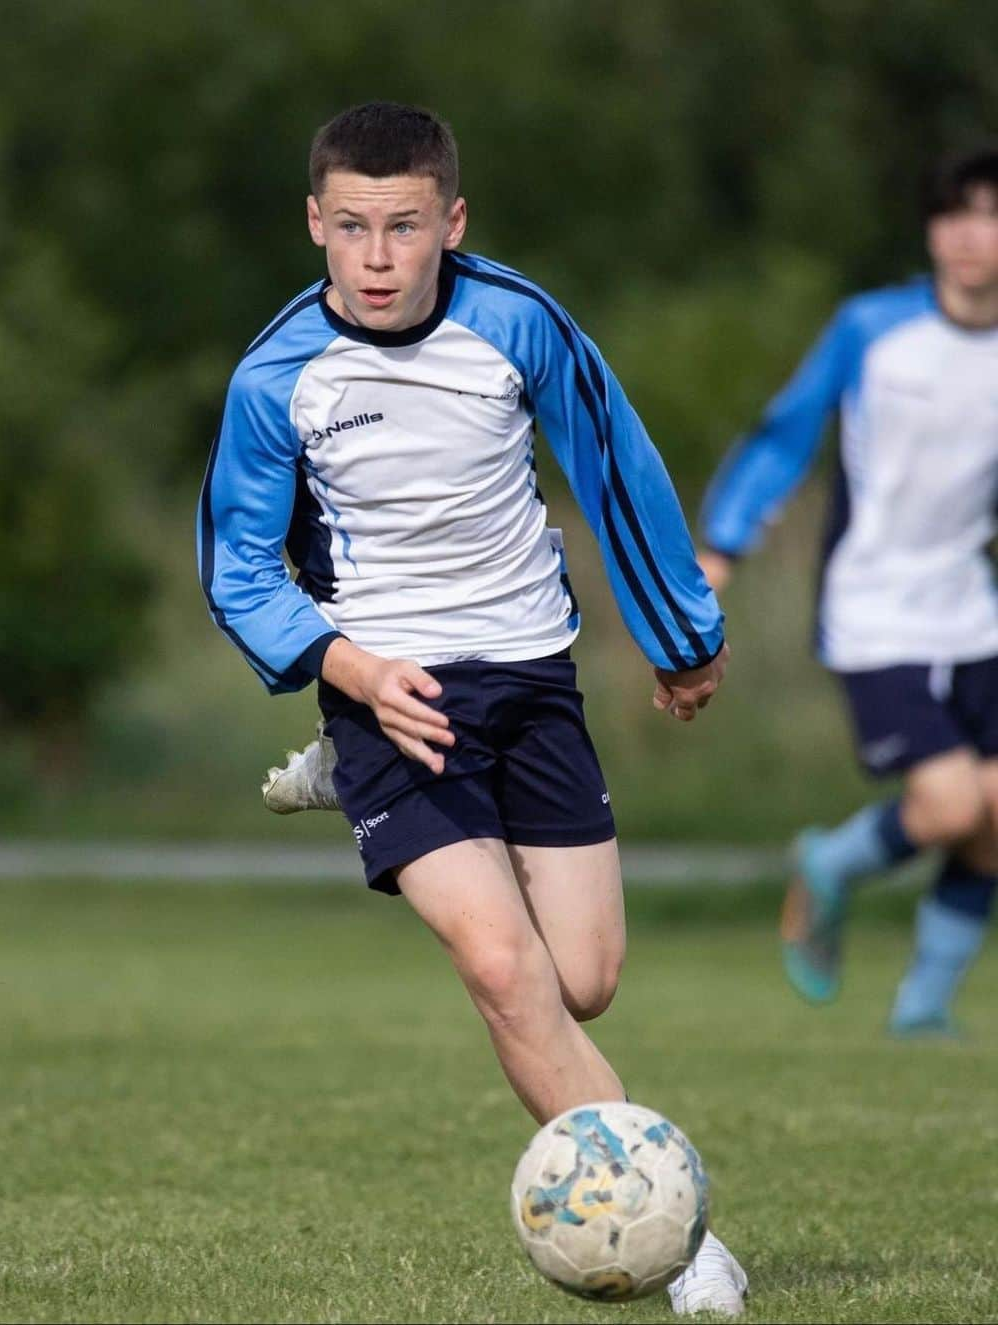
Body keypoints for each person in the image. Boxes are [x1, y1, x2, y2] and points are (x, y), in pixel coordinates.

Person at [199, 102, 745, 1314]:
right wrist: (351, 674)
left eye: (403, 227)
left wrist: (680, 636)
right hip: (391, 692)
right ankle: (676, 1238)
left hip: (530, 678)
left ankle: (355, 782)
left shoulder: (519, 325)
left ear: (454, 221)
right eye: (351, 228)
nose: (379, 257)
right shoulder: (275, 375)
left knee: (582, 977)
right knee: (504, 968)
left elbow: (614, 465)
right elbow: (239, 564)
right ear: (314, 226)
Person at [698, 146, 998, 1034]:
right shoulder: (874, 328)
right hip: (873, 608)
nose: (968, 237)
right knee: (947, 806)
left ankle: (921, 1012)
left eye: (986, 215)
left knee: (994, 815)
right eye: (951, 216)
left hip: (972, 610)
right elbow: (784, 436)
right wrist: (721, 550)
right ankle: (831, 862)